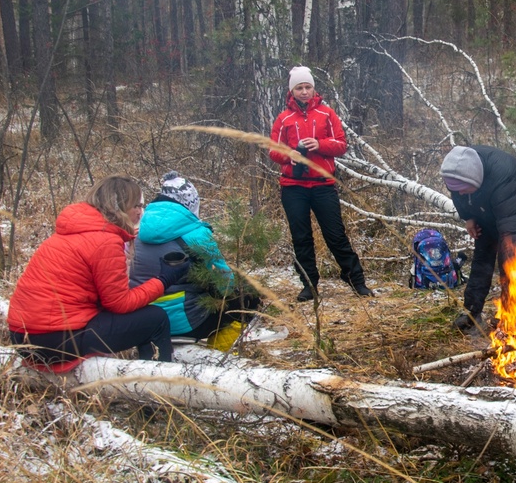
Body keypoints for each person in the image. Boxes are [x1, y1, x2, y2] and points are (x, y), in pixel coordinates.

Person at [8, 176, 189, 364]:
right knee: (155, 318)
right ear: (119, 206)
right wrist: (164, 279)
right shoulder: (105, 241)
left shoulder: (74, 231)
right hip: (52, 340)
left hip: (22, 336)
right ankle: (158, 380)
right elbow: (120, 304)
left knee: (139, 317)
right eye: (136, 205)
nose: (140, 213)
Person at [269, 66, 373, 301]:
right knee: (301, 237)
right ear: (292, 91)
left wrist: (319, 144)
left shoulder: (327, 113)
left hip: (323, 185)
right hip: (293, 187)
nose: (304, 92)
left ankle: (356, 281)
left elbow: (341, 145)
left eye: (308, 87)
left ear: (314, 88)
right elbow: (274, 152)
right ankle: (309, 285)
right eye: (299, 88)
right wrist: (293, 154)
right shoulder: (283, 118)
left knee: (335, 235)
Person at [130, 172, 261, 349]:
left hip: (145, 320)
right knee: (249, 295)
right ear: (190, 204)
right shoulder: (197, 234)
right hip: (187, 322)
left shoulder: (139, 232)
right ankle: (220, 351)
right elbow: (225, 285)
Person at [440, 145, 516, 332]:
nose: (460, 192)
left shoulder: (501, 179)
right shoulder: (457, 172)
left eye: (464, 189)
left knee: (509, 256)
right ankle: (472, 312)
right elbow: (457, 193)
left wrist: (509, 253)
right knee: (483, 252)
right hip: (486, 200)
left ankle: (511, 314)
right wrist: (468, 217)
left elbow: (511, 234)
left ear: (475, 179)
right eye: (457, 189)